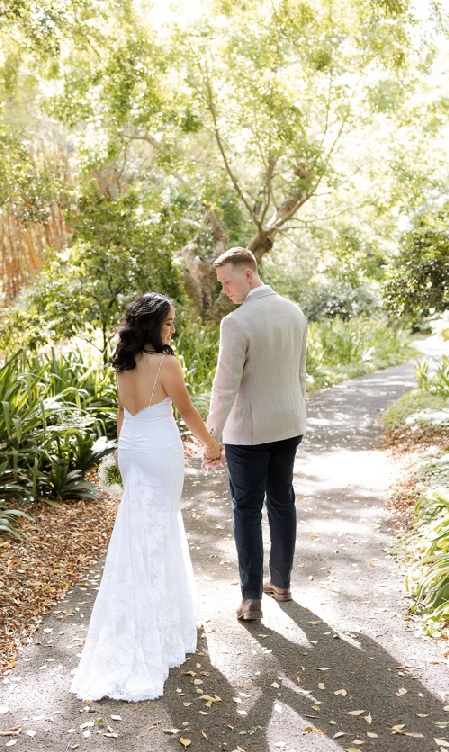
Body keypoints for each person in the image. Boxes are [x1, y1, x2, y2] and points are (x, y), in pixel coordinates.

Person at [70, 293, 222, 702]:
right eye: (169, 322)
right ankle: (158, 617)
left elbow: (122, 411)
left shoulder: (124, 361)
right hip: (158, 448)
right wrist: (212, 445)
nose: (173, 329)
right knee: (162, 524)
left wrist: (123, 451)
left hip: (134, 446)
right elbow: (186, 411)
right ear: (154, 325)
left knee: (139, 524)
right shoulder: (166, 363)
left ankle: (149, 608)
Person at [205, 248, 307, 621]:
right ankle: (281, 584)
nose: (224, 291)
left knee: (246, 510)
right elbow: (299, 375)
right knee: (282, 502)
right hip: (289, 425)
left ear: (248, 275)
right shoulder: (294, 312)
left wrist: (210, 436)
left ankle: (251, 599)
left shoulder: (237, 322)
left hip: (248, 434)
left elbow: (224, 387)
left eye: (227, 282)